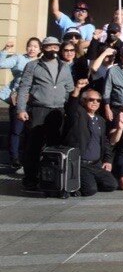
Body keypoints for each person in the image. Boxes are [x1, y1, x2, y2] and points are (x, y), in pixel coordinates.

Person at [14, 36, 75, 190]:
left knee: (54, 146)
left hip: (58, 111)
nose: (53, 49)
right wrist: (21, 109)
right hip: (38, 109)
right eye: (49, 47)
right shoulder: (33, 65)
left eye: (55, 46)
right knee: (34, 146)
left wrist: (65, 103)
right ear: (43, 48)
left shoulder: (64, 66)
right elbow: (23, 88)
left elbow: (69, 88)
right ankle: (30, 179)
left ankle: (52, 178)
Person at [61, 85, 117, 196]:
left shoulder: (100, 120)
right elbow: (72, 106)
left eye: (98, 100)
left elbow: (105, 142)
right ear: (83, 101)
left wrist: (107, 160)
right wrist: (77, 89)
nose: (95, 102)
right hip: (81, 164)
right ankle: (77, 185)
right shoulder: (78, 115)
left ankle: (88, 182)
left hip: (96, 164)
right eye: (91, 100)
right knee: (90, 190)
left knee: (112, 185)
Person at [1, 36, 41, 171]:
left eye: (35, 46)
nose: (32, 49)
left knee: (31, 131)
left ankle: (28, 157)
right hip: (18, 98)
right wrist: (5, 50)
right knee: (16, 130)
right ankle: (15, 159)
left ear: (40, 49)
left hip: (35, 100)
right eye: (30, 45)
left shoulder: (42, 62)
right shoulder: (19, 58)